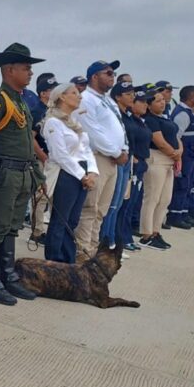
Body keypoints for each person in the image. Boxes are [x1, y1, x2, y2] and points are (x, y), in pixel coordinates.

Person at [0, 42, 46, 304]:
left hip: (22, 172)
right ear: (9, 70)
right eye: (26, 68)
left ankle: (8, 275)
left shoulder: (20, 99)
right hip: (3, 172)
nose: (30, 73)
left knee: (11, 227)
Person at [73, 60, 127, 255]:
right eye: (108, 73)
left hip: (112, 159)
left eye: (113, 73)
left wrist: (123, 149)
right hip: (97, 158)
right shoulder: (86, 99)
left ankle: (93, 249)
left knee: (102, 210)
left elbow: (119, 128)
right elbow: (92, 132)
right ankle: (82, 252)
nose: (112, 77)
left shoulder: (108, 100)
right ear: (94, 76)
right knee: (90, 208)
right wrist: (116, 152)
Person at [41, 84, 98, 263]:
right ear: (62, 97)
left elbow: (86, 149)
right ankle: (54, 259)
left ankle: (68, 258)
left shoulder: (73, 122)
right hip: (65, 173)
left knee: (73, 220)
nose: (79, 96)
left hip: (80, 171)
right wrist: (82, 175)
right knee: (61, 219)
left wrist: (92, 172)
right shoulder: (53, 122)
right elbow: (60, 155)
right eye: (74, 93)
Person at [140, 89, 181, 249]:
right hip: (157, 157)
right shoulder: (150, 120)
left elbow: (176, 137)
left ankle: (156, 231)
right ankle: (146, 234)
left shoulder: (165, 118)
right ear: (149, 105)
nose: (162, 102)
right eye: (157, 100)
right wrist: (174, 153)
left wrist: (179, 152)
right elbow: (159, 141)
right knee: (152, 198)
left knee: (165, 199)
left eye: (163, 100)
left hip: (170, 160)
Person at [99, 80, 137, 247]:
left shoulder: (126, 114)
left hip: (126, 158)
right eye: (128, 94)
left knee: (118, 203)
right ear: (118, 97)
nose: (133, 97)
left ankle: (111, 240)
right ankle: (105, 242)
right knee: (111, 203)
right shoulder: (112, 112)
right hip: (115, 158)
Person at [117, 87, 153, 251]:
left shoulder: (139, 120)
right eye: (142, 101)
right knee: (124, 204)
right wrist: (134, 158)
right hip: (131, 164)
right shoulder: (127, 119)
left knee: (131, 204)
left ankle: (126, 235)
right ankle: (122, 238)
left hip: (140, 164)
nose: (146, 105)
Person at [166, 86, 194, 230]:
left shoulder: (189, 113)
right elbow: (176, 136)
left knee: (188, 185)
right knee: (182, 185)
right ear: (190, 97)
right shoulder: (182, 114)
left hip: (192, 155)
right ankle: (175, 215)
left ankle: (183, 213)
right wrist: (178, 157)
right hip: (186, 156)